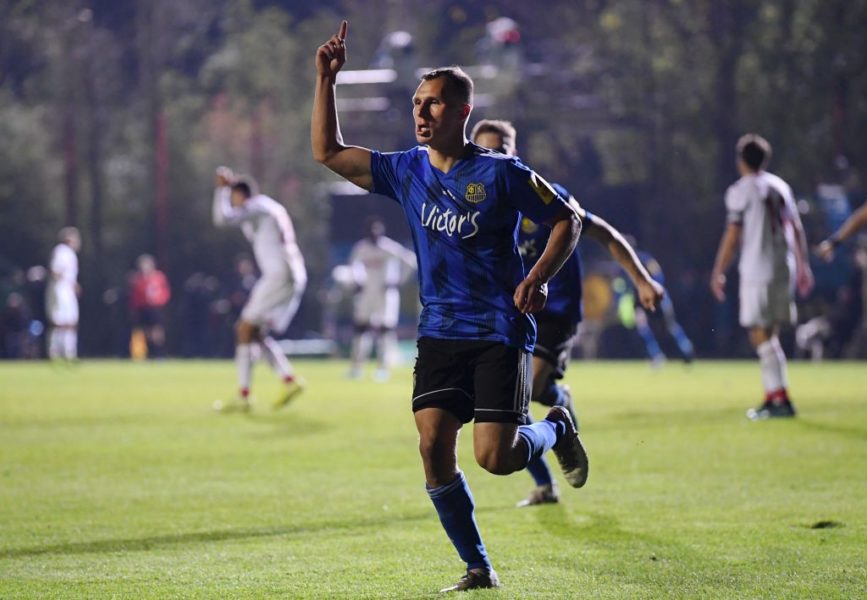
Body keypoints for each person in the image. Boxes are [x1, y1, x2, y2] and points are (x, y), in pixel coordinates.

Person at [313, 21, 588, 592]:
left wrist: (538, 277)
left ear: (461, 110)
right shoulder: (404, 169)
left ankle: (556, 428)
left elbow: (569, 219)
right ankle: (477, 567)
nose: (421, 112)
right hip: (439, 331)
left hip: (498, 330)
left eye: (433, 103)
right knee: (433, 446)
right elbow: (328, 152)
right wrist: (326, 81)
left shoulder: (500, 173)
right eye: (417, 103)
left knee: (496, 458)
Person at [472, 119, 664, 506]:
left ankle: (558, 419)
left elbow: (604, 233)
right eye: (486, 151)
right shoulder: (476, 206)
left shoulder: (546, 198)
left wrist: (642, 280)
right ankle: (546, 480)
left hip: (553, 309)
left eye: (502, 149)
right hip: (508, 315)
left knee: (521, 398)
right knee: (517, 403)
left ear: (515, 153)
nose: (496, 158)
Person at [711, 134, 814, 420]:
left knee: (759, 334)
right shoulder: (780, 186)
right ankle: (773, 395)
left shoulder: (741, 190)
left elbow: (733, 233)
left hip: (758, 267)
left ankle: (779, 397)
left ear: (740, 160)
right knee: (769, 333)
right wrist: (803, 266)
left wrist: (719, 269)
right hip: (784, 266)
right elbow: (796, 228)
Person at [212, 167, 307, 413]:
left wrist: (222, 190)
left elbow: (223, 219)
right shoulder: (269, 207)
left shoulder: (256, 205)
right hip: (291, 273)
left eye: (234, 198)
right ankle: (289, 380)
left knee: (243, 328)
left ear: (240, 195)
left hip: (278, 274)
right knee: (255, 333)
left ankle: (244, 396)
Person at [347, 217, 417, 381]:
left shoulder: (389, 247)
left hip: (385, 294)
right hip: (366, 294)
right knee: (361, 329)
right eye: (372, 230)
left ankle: (383, 368)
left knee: (385, 331)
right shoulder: (361, 248)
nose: (374, 233)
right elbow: (353, 266)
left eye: (377, 229)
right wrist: (357, 281)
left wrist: (398, 281)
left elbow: (410, 261)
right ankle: (357, 367)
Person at [623, 239, 695, 367]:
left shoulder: (646, 259)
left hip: (658, 297)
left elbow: (659, 277)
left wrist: (653, 292)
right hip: (640, 300)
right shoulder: (623, 265)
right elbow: (626, 286)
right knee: (642, 327)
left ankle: (686, 351)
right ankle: (656, 356)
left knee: (670, 327)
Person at [46, 227, 81, 361]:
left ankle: (69, 352)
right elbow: (56, 270)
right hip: (61, 290)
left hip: (67, 290)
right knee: (59, 321)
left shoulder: (70, 253)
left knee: (70, 321)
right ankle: (55, 351)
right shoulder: (61, 250)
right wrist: (66, 284)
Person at [129, 254, 171, 359]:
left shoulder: (159, 277)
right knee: (144, 332)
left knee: (157, 332)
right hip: (143, 308)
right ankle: (145, 354)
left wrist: (160, 301)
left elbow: (165, 292)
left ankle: (160, 354)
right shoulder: (138, 279)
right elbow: (135, 296)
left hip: (156, 308)